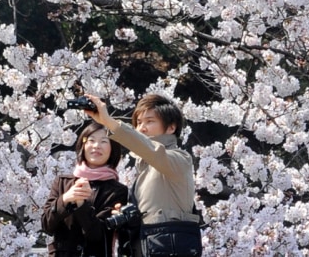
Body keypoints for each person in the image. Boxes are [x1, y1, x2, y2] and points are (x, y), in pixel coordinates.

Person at [84, 94, 199, 257]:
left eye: (150, 121)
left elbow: (153, 151)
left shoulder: (180, 160)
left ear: (171, 127)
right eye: (138, 123)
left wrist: (109, 122)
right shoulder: (145, 169)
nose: (142, 128)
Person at [42, 120, 129, 257]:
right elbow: (46, 225)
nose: (96, 146)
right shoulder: (63, 182)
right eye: (91, 140)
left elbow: (98, 234)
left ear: (113, 148)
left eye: (104, 142)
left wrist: (82, 204)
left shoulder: (117, 191)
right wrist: (65, 199)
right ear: (83, 146)